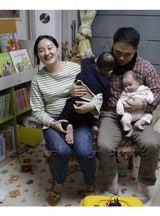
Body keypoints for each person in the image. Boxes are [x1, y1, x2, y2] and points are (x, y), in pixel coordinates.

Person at [30, 35, 101, 206]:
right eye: (41, 50)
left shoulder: (75, 68)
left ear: (57, 48)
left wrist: (91, 107)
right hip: (53, 120)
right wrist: (52, 123)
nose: (46, 53)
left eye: (50, 48)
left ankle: (90, 185)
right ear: (37, 55)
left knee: (85, 151)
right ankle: (58, 185)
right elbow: (37, 110)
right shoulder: (37, 79)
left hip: (79, 117)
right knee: (61, 151)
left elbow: (97, 92)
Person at [96, 27, 160, 204]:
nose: (121, 58)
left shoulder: (145, 67)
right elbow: (89, 81)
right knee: (103, 146)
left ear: (137, 48)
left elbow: (158, 94)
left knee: (151, 144)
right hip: (111, 114)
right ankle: (111, 178)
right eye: (118, 52)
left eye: (127, 54)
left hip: (139, 115)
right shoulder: (104, 62)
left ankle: (144, 183)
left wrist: (143, 104)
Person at [58, 52, 116, 144]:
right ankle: (93, 126)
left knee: (63, 117)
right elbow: (107, 96)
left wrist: (93, 59)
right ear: (110, 72)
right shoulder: (105, 82)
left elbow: (85, 60)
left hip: (74, 101)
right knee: (91, 117)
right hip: (88, 106)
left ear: (96, 62)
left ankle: (67, 125)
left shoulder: (87, 67)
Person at [116, 70, 154, 137]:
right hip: (130, 113)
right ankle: (129, 129)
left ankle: (139, 123)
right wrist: (120, 109)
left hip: (142, 112)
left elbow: (149, 93)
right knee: (124, 119)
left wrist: (149, 98)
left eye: (130, 84)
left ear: (138, 82)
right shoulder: (125, 93)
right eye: (125, 86)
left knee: (149, 116)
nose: (128, 87)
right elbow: (120, 100)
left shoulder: (143, 88)